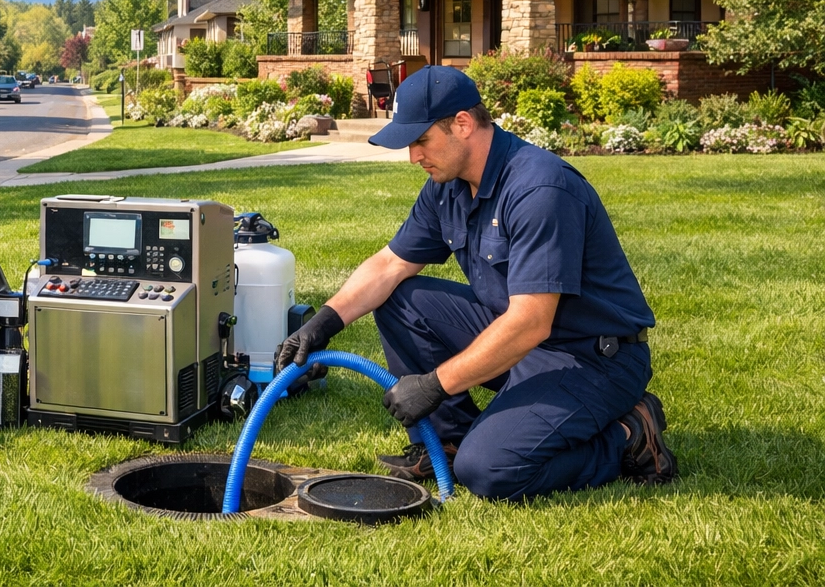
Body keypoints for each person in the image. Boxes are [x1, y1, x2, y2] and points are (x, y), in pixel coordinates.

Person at [277, 65, 676, 501]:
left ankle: (628, 433)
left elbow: (531, 323)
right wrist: (320, 327)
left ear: (463, 124)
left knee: (489, 471)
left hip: (591, 358)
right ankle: (446, 442)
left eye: (421, 141)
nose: (414, 157)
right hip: (522, 337)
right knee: (400, 297)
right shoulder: (448, 186)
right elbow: (390, 265)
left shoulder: (540, 189)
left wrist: (434, 385)